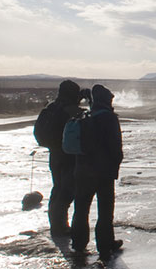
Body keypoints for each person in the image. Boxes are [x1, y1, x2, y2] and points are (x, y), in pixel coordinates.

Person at [71, 85, 124, 260]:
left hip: (82, 170)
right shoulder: (109, 118)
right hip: (103, 172)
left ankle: (78, 244)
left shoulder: (85, 116)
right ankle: (105, 245)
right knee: (105, 210)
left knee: (81, 208)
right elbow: (115, 147)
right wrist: (115, 164)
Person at [33, 80, 84, 237]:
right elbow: (84, 126)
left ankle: (56, 225)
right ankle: (60, 227)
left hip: (54, 154)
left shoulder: (51, 108)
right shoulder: (70, 110)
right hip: (68, 156)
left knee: (58, 188)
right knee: (66, 191)